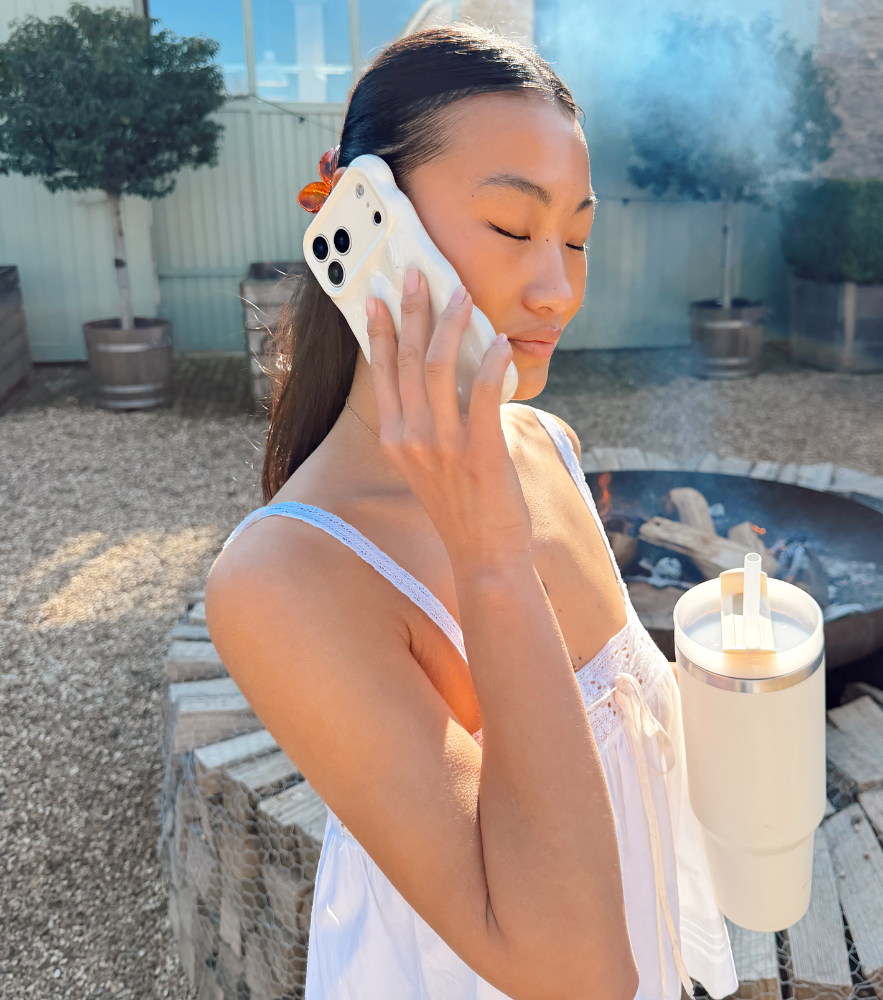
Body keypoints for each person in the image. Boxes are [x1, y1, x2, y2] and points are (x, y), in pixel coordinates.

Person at [207, 24, 737, 1000]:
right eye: (512, 228)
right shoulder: (282, 579)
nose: (559, 290)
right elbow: (574, 972)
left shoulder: (547, 447)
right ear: (366, 219)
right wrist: (489, 558)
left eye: (577, 237)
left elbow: (623, 747)